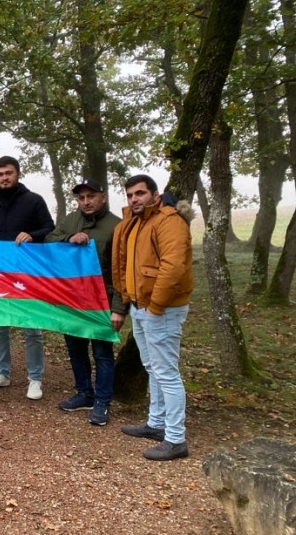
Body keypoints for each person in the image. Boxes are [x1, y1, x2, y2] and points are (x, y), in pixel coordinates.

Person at [112, 174, 194, 461]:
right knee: (153, 367)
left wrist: (156, 305)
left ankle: (175, 438)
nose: (134, 199)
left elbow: (173, 267)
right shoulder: (135, 222)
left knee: (167, 372)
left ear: (154, 194)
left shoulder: (168, 221)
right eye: (130, 194)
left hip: (161, 308)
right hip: (140, 305)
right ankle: (157, 423)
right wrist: (128, 299)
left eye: (140, 193)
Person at [0, 156, 54, 400]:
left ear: (17, 174)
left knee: (31, 328)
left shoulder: (34, 200)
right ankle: (1, 373)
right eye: (0, 174)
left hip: (27, 275)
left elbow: (50, 229)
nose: (4, 178)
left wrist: (32, 234)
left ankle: (35, 378)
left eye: (9, 173)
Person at [45, 178, 125, 425]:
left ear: (103, 196)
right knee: (76, 349)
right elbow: (49, 240)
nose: (86, 202)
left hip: (103, 300)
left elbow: (124, 270)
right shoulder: (71, 220)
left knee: (101, 353)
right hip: (72, 298)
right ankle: (84, 393)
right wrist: (69, 237)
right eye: (81, 198)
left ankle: (102, 401)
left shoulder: (117, 226)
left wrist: (119, 308)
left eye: (91, 196)